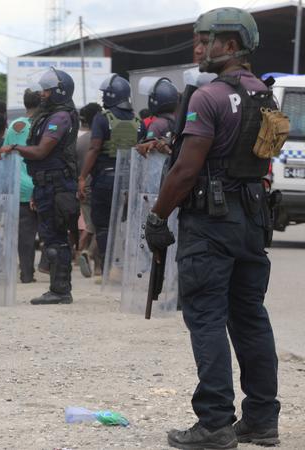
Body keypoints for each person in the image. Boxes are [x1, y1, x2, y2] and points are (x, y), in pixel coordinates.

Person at [144, 8, 281, 448]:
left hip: (211, 223)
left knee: (205, 318)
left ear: (231, 45)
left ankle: (215, 423)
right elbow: (240, 154)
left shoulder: (208, 96)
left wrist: (157, 216)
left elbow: (186, 171)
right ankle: (261, 419)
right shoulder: (265, 95)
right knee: (251, 319)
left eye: (206, 40)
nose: (198, 48)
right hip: (252, 219)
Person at [0, 68, 80, 305]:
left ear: (59, 91)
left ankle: (61, 290)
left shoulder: (60, 118)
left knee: (55, 238)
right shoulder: (52, 115)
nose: (42, 94)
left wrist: (13, 148)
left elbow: (42, 150)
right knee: (50, 236)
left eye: (47, 90)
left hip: (57, 184)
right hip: (47, 184)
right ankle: (59, 288)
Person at [78, 74, 139, 269]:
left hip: (105, 179)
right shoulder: (138, 121)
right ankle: (121, 266)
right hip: (129, 180)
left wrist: (82, 177)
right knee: (122, 225)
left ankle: (105, 267)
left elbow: (94, 148)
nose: (103, 98)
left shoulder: (102, 119)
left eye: (106, 94)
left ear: (114, 95)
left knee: (103, 225)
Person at [3, 90, 39, 283]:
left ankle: (26, 273)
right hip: (41, 183)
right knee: (52, 231)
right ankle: (49, 266)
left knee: (25, 234)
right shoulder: (46, 126)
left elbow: (6, 154)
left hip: (20, 186)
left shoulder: (14, 127)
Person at [75, 103, 103, 278]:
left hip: (82, 187)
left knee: (90, 225)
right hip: (98, 186)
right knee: (100, 226)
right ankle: (95, 262)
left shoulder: (79, 142)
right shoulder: (100, 140)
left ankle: (81, 251)